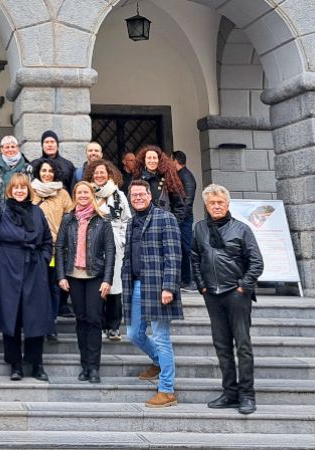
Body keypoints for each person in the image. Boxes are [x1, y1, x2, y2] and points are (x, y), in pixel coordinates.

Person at [191, 184, 264, 415]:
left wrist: (243, 286)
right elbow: (195, 258)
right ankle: (229, 392)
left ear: (227, 204)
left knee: (242, 345)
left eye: (220, 203)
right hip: (212, 294)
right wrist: (201, 286)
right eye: (212, 203)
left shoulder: (241, 229)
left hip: (236, 294)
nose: (216, 206)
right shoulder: (200, 228)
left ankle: (247, 395)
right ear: (206, 205)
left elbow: (256, 262)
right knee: (222, 346)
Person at [0, 174, 55, 381]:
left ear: (28, 190)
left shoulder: (37, 212)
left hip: (34, 268)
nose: (19, 191)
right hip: (8, 267)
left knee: (35, 317)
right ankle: (15, 364)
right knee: (11, 317)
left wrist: (43, 260)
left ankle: (36, 364)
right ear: (10, 190)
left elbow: (47, 241)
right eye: (15, 187)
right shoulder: (1, 210)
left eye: (23, 188)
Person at [124, 179, 183, 408]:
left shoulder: (165, 218)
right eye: (134, 195)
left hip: (158, 287)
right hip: (137, 285)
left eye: (141, 194)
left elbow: (174, 256)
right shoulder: (131, 222)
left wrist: (169, 287)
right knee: (133, 333)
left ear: (150, 195)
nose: (138, 198)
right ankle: (158, 361)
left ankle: (167, 390)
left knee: (161, 337)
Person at [54, 181, 115, 383]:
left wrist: (108, 280)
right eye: (79, 192)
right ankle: (84, 366)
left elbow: (110, 251)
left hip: (95, 277)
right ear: (74, 195)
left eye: (86, 192)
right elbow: (60, 247)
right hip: (74, 277)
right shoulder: (68, 219)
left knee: (94, 320)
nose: (82, 195)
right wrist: (61, 276)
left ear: (92, 195)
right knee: (81, 320)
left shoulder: (103, 220)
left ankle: (94, 367)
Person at [84, 160, 131, 343]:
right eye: (96, 173)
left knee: (114, 287)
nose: (99, 176)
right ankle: (99, 324)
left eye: (103, 172)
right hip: (94, 247)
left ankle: (113, 327)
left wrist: (122, 240)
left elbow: (127, 219)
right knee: (97, 286)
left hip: (116, 246)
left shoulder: (118, 195)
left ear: (109, 174)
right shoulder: (87, 194)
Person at [31, 159, 75, 340]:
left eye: (50, 171)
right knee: (36, 287)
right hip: (35, 248)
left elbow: (71, 219)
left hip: (56, 249)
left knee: (53, 287)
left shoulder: (63, 194)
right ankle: (37, 322)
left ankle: (51, 324)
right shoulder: (31, 191)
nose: (47, 174)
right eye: (43, 171)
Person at [135, 145, 189, 223]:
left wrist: (173, 223)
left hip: (165, 224)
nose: (152, 161)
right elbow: (131, 203)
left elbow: (179, 206)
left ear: (159, 160)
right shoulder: (138, 179)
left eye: (155, 158)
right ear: (144, 160)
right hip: (143, 225)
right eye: (149, 158)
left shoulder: (168, 178)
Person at [173, 151, 198, 290]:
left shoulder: (186, 177)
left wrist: (178, 220)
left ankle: (189, 280)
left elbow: (187, 202)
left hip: (184, 220)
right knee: (182, 249)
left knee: (186, 249)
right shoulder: (182, 175)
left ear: (175, 161)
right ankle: (184, 279)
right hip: (182, 219)